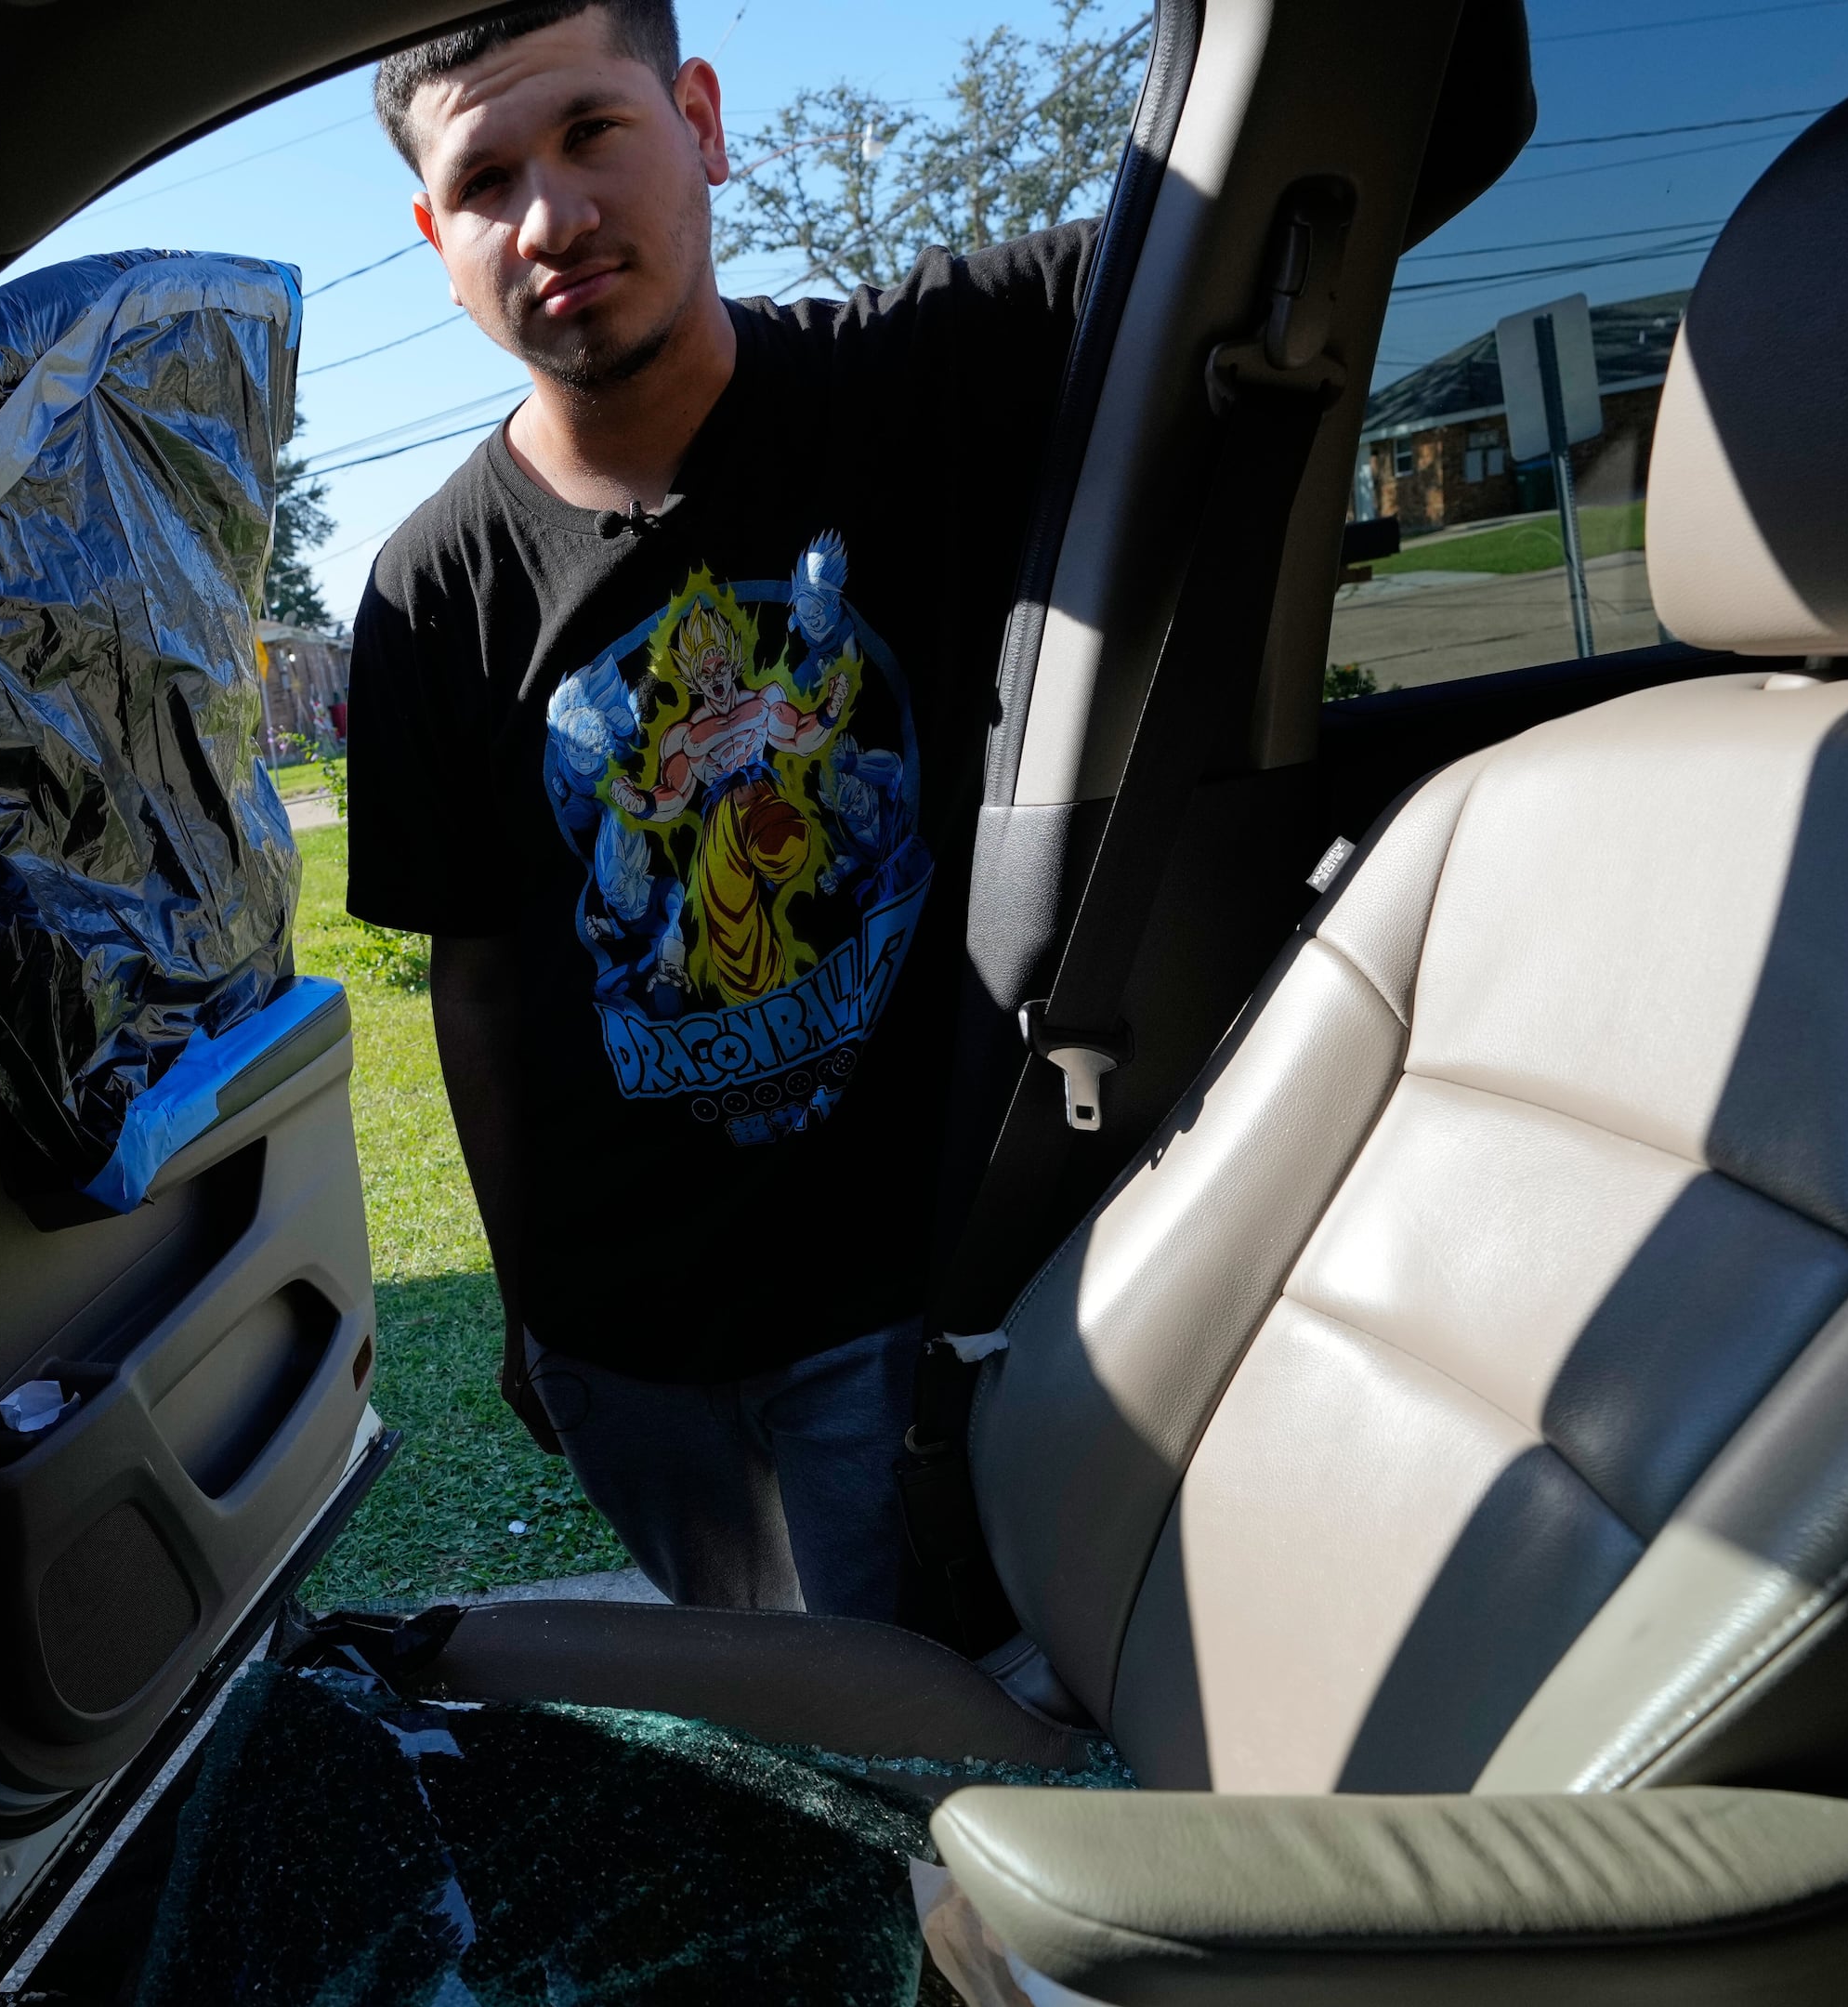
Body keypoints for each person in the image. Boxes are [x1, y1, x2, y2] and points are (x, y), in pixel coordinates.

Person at [344, 0, 1098, 1620]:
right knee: (785, 1733)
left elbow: (1351, 165)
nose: (550, 218)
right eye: (485, 180)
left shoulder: (937, 368)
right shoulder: (427, 590)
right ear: (433, 232)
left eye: (594, 132)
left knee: (939, 1750)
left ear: (700, 118)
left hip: (910, 1308)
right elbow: (476, 982)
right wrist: (527, 1306)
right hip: (631, 1350)